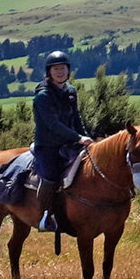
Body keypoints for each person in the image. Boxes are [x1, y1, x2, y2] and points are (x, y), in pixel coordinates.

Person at [32, 50, 91, 233]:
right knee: (50, 177)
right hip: (48, 145)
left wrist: (87, 139)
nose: (60, 72)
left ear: (68, 70)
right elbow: (53, 124)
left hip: (70, 143)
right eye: (55, 69)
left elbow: (76, 118)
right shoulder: (43, 96)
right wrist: (78, 138)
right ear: (49, 72)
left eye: (63, 68)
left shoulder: (71, 91)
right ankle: (45, 216)